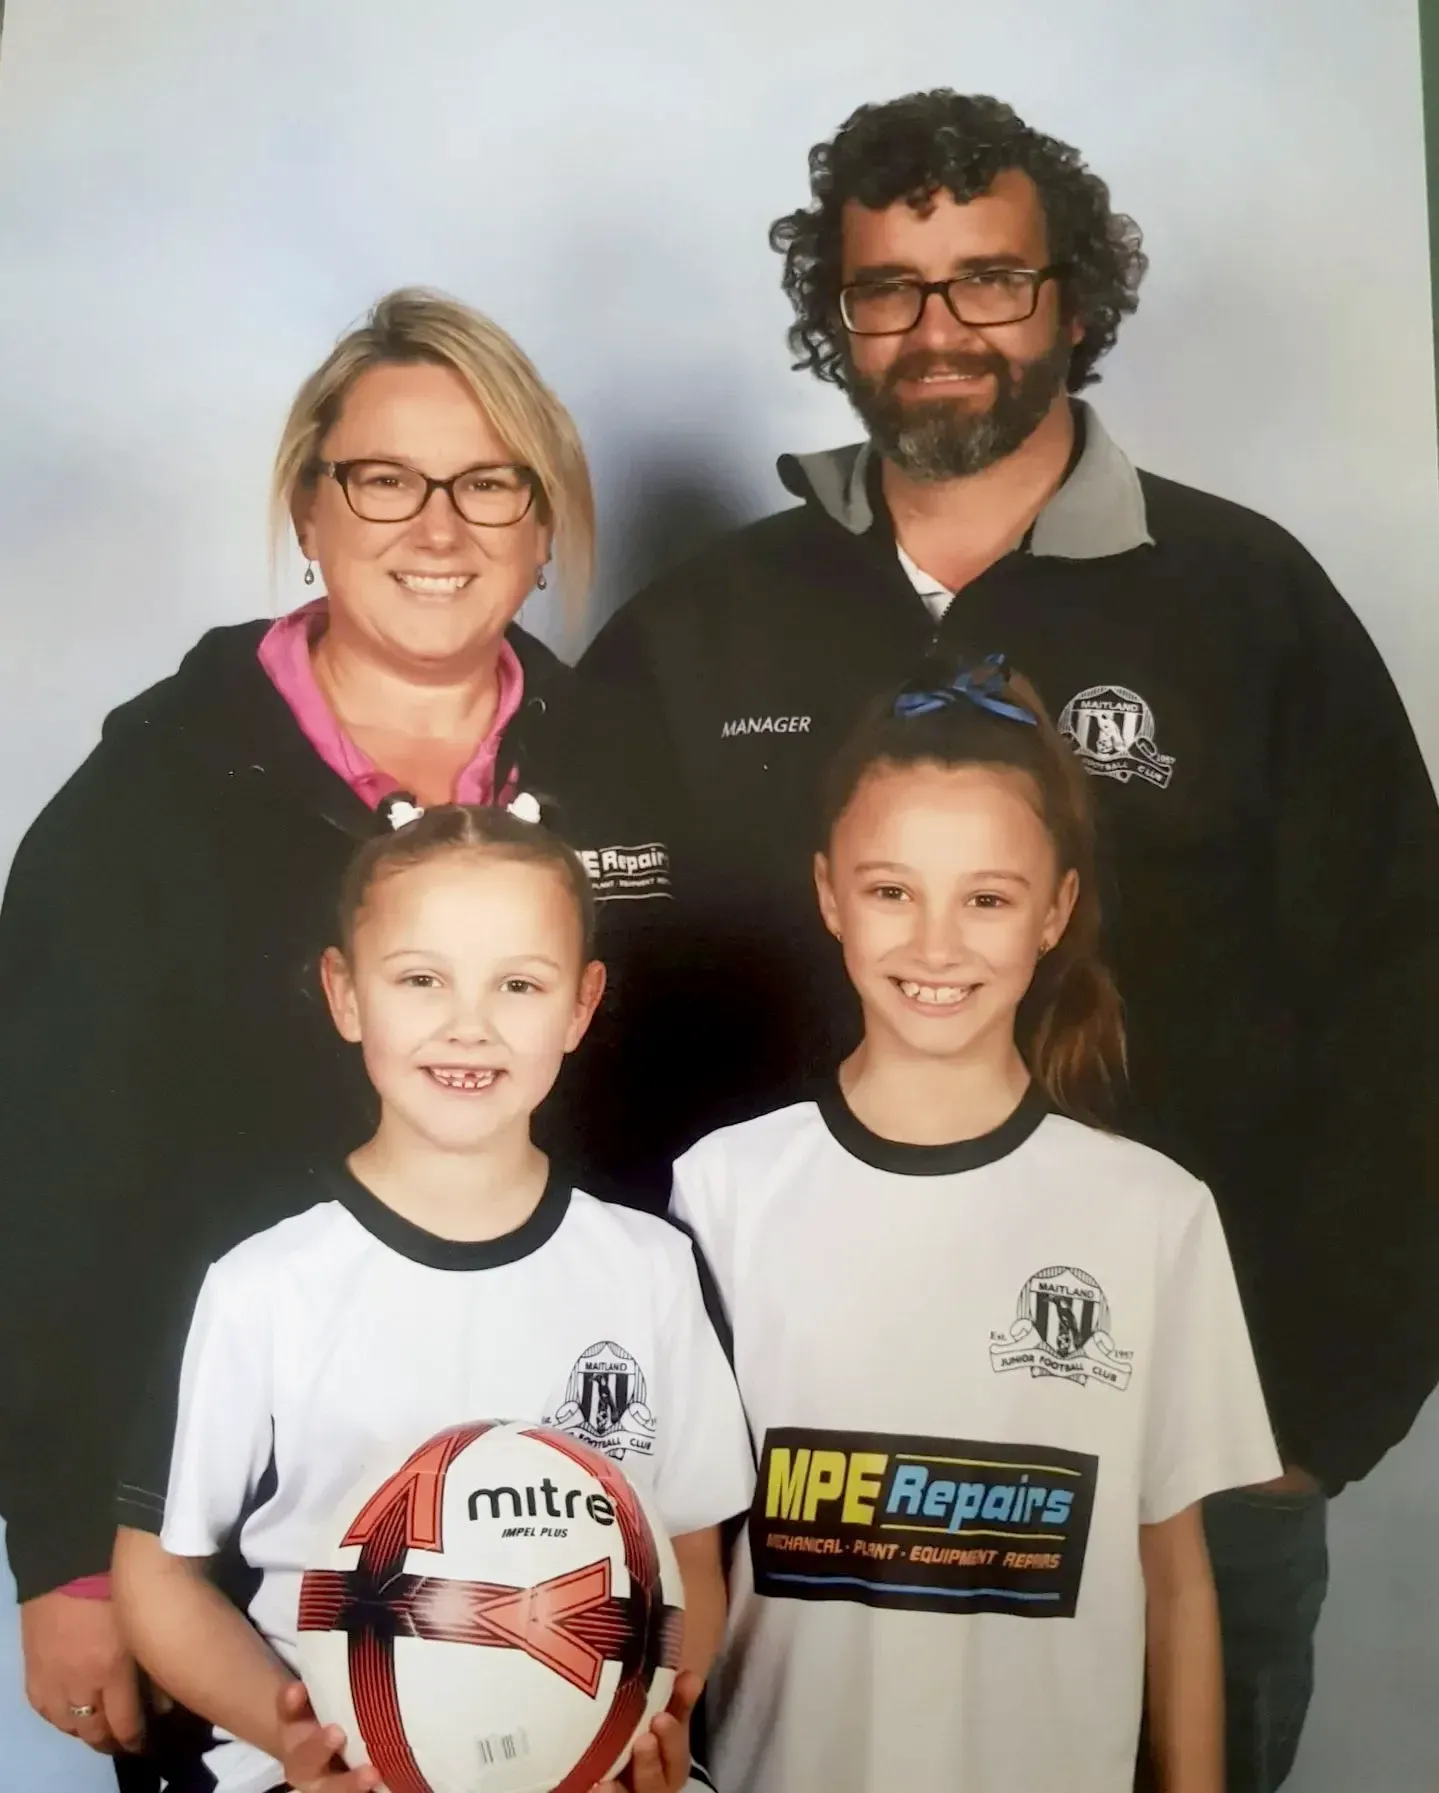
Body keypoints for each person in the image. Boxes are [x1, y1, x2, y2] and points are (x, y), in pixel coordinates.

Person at [580, 91, 1439, 1789]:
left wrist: (1322, 1402)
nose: (938, 330)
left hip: (1153, 1471)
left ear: (1070, 298)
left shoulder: (1241, 602)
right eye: (888, 289)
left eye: (987, 281)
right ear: (833, 316)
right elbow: (580, 1008)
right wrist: (624, 1389)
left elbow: (1401, 1000)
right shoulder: (702, 626)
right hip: (771, 1471)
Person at [0, 288, 673, 1786]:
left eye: (489, 479)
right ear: (310, 505)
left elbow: (678, 1138)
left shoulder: (631, 776)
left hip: (563, 1548)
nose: (437, 525)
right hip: (233, 1556)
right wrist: (65, 1560)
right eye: (383, 477)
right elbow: (44, 1192)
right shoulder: (152, 800)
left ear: (543, 522)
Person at [673, 656, 1280, 1793]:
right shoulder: (721, 1190)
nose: (935, 945)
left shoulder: (1152, 1214)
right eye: (891, 889)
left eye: (985, 898)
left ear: (1053, 910)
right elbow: (683, 1553)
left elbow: (1177, 1577)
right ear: (826, 892)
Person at [111, 804, 753, 1793]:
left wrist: (647, 1718)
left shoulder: (646, 1265)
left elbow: (686, 1555)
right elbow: (157, 1575)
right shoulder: (264, 1282)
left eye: (519, 984)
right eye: (421, 978)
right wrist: (301, 1743)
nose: (469, 1023)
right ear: (345, 992)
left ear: (580, 1006)